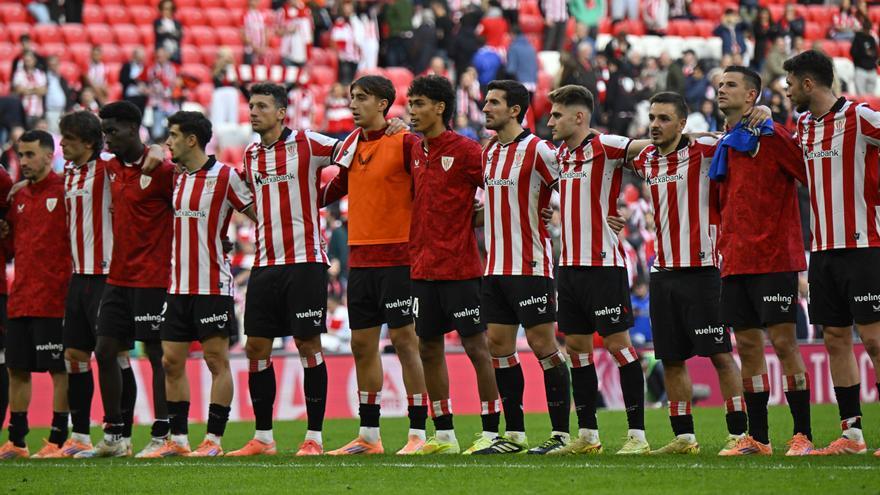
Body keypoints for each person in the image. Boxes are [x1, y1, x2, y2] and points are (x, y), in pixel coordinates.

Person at [630, 92, 748, 455]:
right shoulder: (646, 159)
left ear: (682, 124)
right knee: (671, 358)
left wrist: (757, 111)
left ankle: (739, 434)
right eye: (652, 117)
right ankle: (684, 437)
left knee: (720, 355)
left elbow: (737, 136)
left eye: (664, 118)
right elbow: (618, 153)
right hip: (663, 273)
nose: (655, 124)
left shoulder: (706, 151)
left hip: (703, 271)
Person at [225, 83, 333, 457]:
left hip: (305, 262)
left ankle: (314, 437)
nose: (253, 112)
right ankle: (263, 438)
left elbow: (351, 154)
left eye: (261, 106)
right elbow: (253, 202)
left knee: (307, 344)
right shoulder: (251, 154)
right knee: (256, 346)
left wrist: (324, 197)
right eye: (251, 106)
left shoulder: (309, 143)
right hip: (265, 263)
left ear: (282, 112)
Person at [322, 76, 428, 456]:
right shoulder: (350, 145)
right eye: (352, 97)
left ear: (383, 104)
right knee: (361, 344)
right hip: (360, 260)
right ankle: (369, 435)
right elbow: (332, 189)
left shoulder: (406, 142)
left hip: (399, 259)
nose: (353, 104)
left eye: (362, 98)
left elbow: (430, 184)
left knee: (405, 342)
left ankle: (418, 433)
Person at [711, 66, 814, 456]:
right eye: (720, 84)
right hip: (735, 260)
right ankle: (759, 438)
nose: (721, 90)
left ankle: (802, 434)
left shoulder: (773, 137)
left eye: (731, 85)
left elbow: (809, 172)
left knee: (785, 344)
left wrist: (771, 120)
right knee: (749, 347)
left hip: (774, 258)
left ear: (752, 95)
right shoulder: (723, 142)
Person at [544, 84, 651, 455]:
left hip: (604, 266)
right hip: (569, 268)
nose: (550, 121)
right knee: (576, 349)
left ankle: (637, 436)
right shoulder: (559, 155)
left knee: (619, 347)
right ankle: (588, 435)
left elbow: (652, 145)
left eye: (557, 115)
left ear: (579, 116)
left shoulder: (607, 145)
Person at [142, 111, 256, 458]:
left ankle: (213, 440)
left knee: (216, 360)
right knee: (170, 361)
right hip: (178, 286)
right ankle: (178, 439)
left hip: (212, 286)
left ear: (192, 139)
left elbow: (260, 215)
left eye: (174, 135)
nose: (168, 142)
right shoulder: (175, 177)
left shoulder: (225, 176)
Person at [784, 49, 880, 457]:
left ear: (809, 84)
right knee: (836, 338)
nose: (787, 91)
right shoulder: (803, 126)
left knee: (875, 340)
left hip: (865, 247)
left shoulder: (860, 116)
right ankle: (852, 434)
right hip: (822, 251)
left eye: (790, 84)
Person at [468, 80, 570, 455]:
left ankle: (561, 435)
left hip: (530, 265)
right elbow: (496, 206)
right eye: (485, 102)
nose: (485, 108)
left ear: (514, 110)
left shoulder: (539, 149)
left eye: (493, 102)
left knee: (543, 345)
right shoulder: (489, 152)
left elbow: (570, 189)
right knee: (498, 346)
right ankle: (514, 435)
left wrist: (553, 212)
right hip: (495, 267)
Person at [404, 75, 501, 455]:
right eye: (410, 104)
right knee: (428, 348)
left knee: (477, 347)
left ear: (439, 107)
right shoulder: (415, 149)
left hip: (460, 268)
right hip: (422, 268)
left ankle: (491, 431)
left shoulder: (467, 150)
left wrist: (475, 217)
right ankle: (444, 434)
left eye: (419, 104)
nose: (412, 111)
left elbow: (500, 193)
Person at [77, 101, 176, 458]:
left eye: (112, 131)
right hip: (117, 277)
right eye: (104, 132)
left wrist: (159, 149)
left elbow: (188, 207)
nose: (107, 138)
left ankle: (163, 434)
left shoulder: (164, 171)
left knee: (156, 354)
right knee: (104, 350)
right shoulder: (111, 168)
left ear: (133, 129)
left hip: (153, 277)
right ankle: (116, 435)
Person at [26, 111, 116, 458]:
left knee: (112, 354)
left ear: (89, 142)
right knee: (75, 356)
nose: (61, 143)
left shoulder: (109, 168)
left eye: (69, 138)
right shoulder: (70, 174)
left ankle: (118, 432)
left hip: (107, 275)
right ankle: (79, 435)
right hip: (78, 276)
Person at [0, 130, 71, 459]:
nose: (24, 161)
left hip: (54, 299)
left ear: (48, 155)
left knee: (58, 370)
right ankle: (17, 440)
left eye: (30, 154)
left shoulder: (65, 192)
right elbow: (11, 247)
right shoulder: (17, 197)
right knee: (16, 369)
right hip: (21, 298)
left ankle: (58, 439)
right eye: (21, 155)